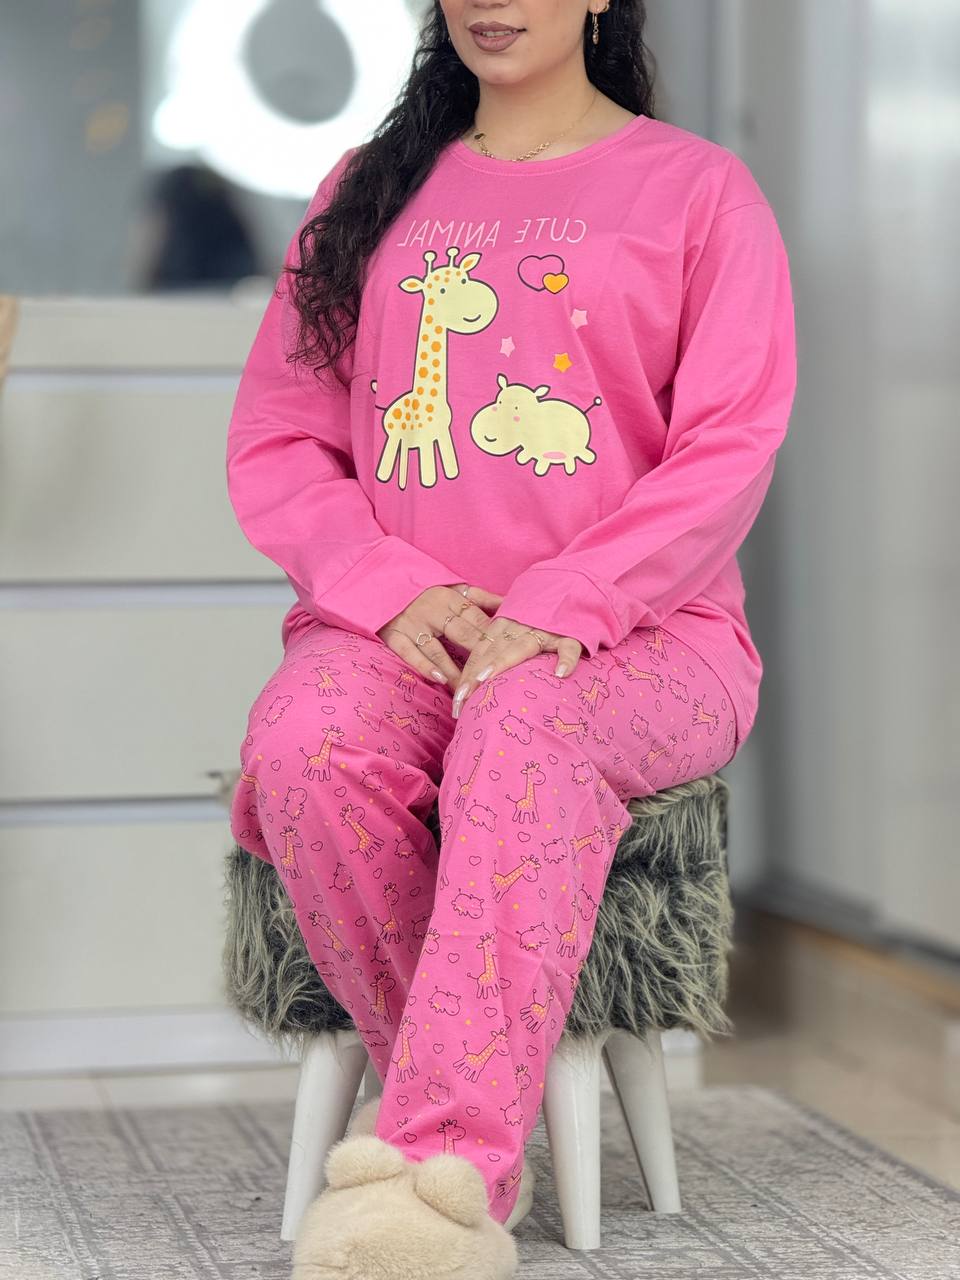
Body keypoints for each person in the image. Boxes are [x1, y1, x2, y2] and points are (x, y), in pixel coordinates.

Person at [225, 3, 797, 1276]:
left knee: (526, 724)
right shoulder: (368, 188)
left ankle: (437, 1181)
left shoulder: (701, 193)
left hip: (645, 635)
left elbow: (729, 444)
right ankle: (459, 1129)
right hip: (408, 631)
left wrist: (569, 599)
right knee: (305, 744)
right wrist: (385, 584)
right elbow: (279, 433)